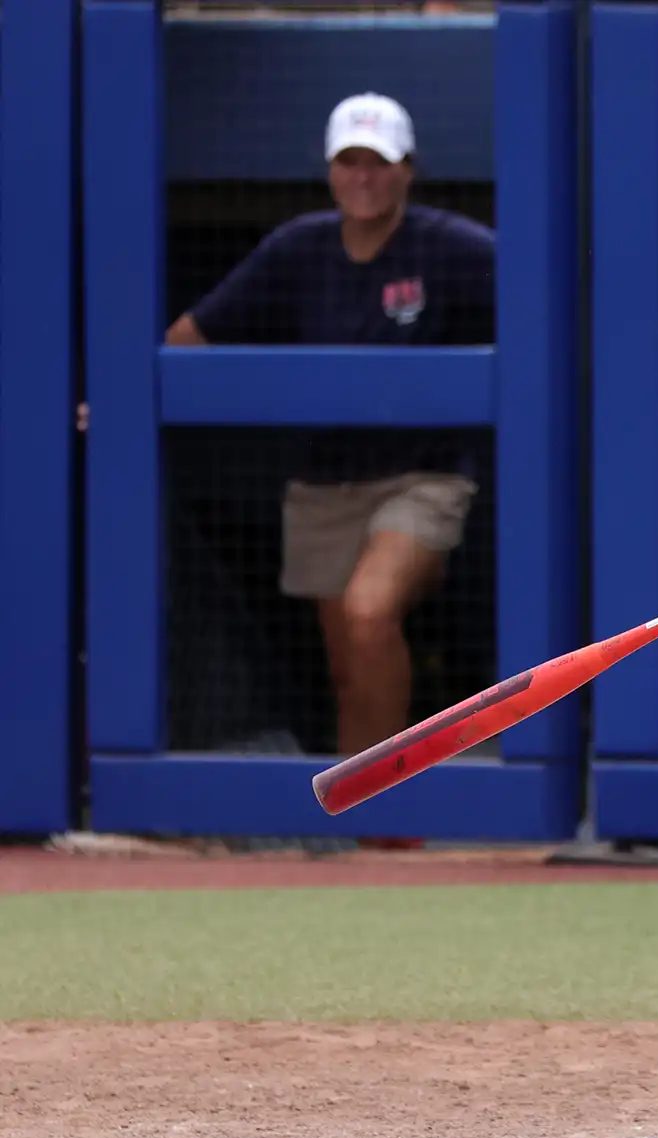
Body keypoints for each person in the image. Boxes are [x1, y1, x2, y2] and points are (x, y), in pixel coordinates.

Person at [166, 92, 495, 763]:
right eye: (349, 161)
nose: (363, 177)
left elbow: (542, 294)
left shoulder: (450, 246)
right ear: (328, 170)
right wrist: (112, 400)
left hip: (421, 479)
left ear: (408, 168)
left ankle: (392, 790)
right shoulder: (297, 248)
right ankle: (365, 835)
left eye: (378, 161)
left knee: (369, 612)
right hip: (321, 487)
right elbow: (190, 336)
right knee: (348, 668)